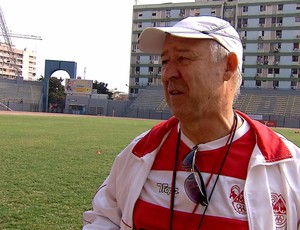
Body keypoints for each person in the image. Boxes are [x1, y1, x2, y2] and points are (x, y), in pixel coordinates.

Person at [82, 16, 300, 229]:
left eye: (183, 59)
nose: (168, 74)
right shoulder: (139, 153)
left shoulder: (286, 166)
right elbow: (104, 218)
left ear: (229, 66)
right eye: (165, 61)